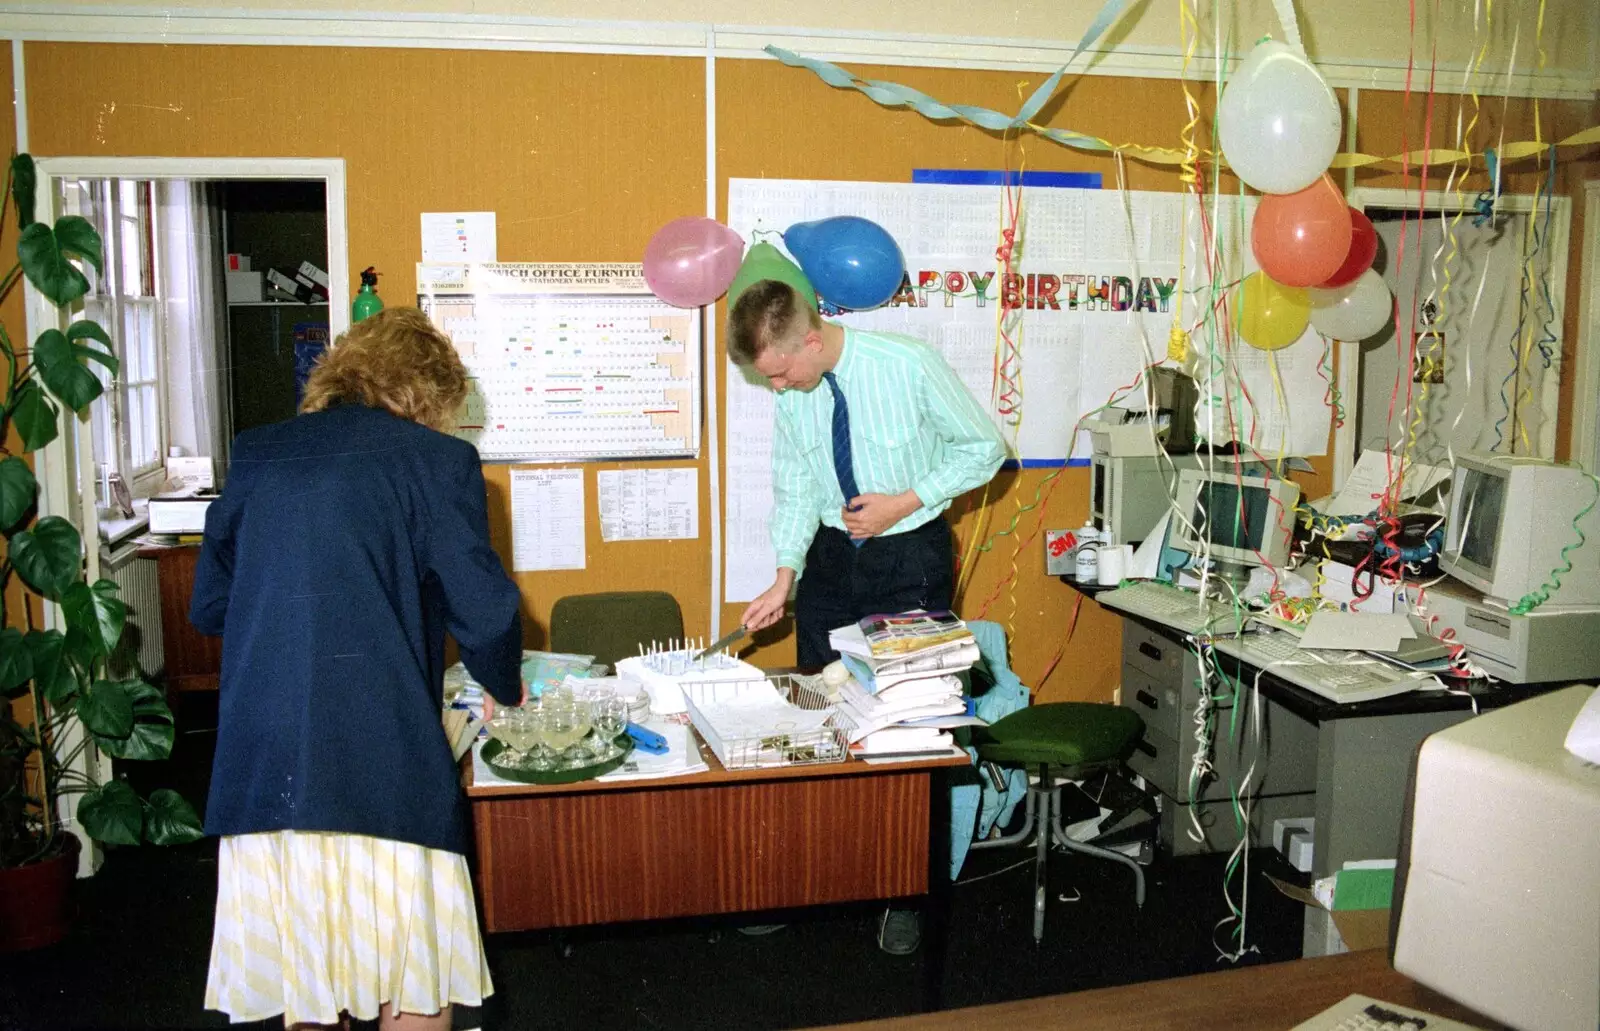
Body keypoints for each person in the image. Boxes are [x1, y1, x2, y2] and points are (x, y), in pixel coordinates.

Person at [192, 307, 524, 1031]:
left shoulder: (258, 453)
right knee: (413, 977)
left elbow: (212, 605)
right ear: (425, 393)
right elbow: (490, 612)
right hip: (385, 765)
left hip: (269, 769)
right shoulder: (435, 462)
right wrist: (501, 686)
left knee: (306, 979)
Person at [730, 278, 1005, 954]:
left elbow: (984, 448)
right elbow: (794, 485)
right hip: (830, 563)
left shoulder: (907, 365)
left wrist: (904, 501)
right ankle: (813, 880)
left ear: (813, 341)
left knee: (909, 725)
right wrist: (784, 576)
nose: (778, 387)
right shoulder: (795, 393)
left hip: (908, 554)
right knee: (819, 719)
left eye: (782, 371)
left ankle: (904, 892)